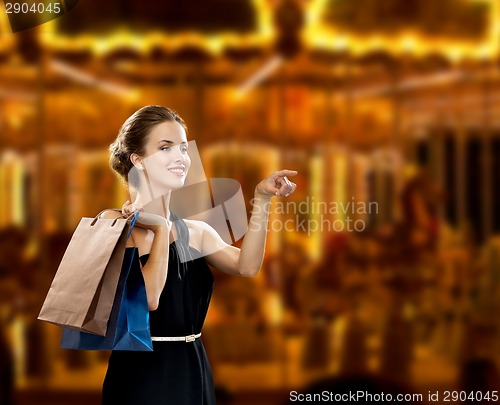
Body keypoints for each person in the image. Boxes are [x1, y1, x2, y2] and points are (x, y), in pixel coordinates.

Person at [101, 105, 297, 404]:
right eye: (166, 148)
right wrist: (162, 230)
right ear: (137, 160)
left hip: (193, 368)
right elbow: (149, 298)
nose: (180, 156)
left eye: (183, 147)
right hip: (141, 373)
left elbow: (247, 266)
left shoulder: (196, 231)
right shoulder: (112, 223)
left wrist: (262, 199)